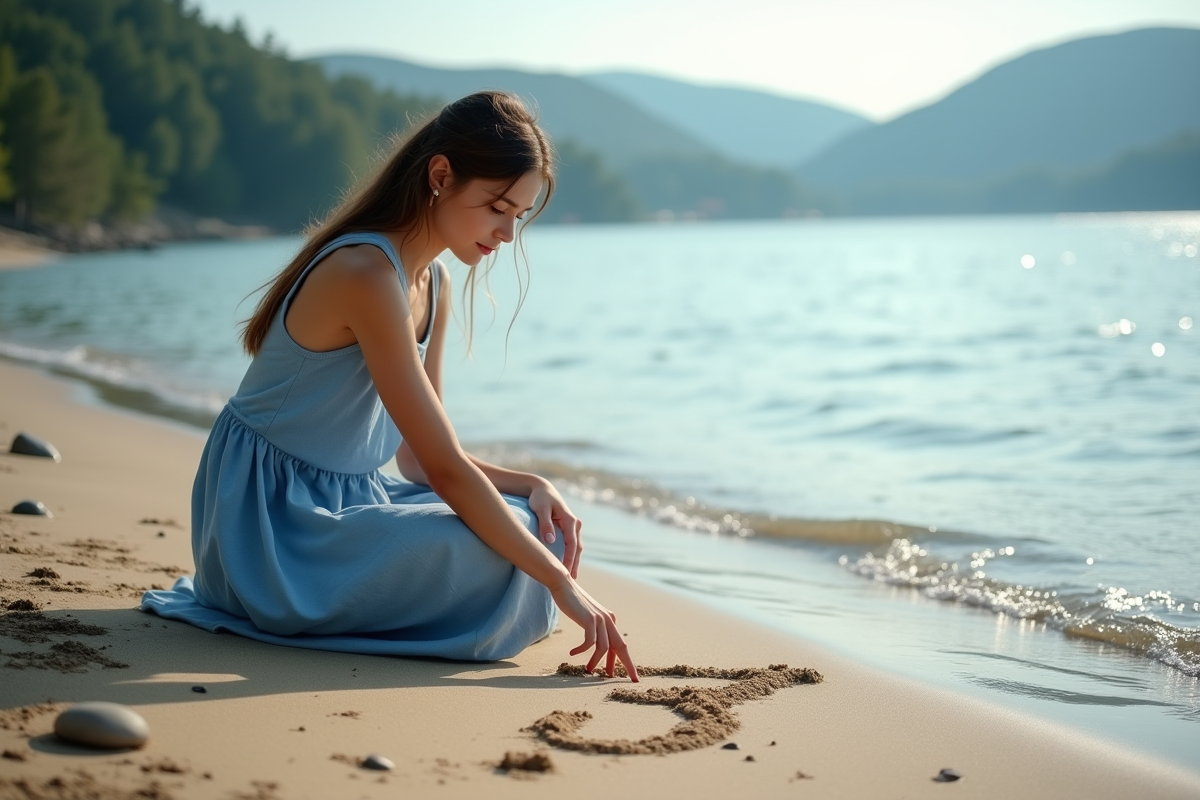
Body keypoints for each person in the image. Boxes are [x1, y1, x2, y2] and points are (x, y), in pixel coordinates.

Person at [141, 91, 638, 681]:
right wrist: (559, 585)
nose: (507, 233)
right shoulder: (367, 274)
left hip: (353, 495)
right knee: (512, 555)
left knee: (534, 526)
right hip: (269, 524)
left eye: (518, 215)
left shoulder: (436, 283)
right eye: (496, 207)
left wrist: (533, 484)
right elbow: (445, 468)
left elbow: (419, 464)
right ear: (441, 175)